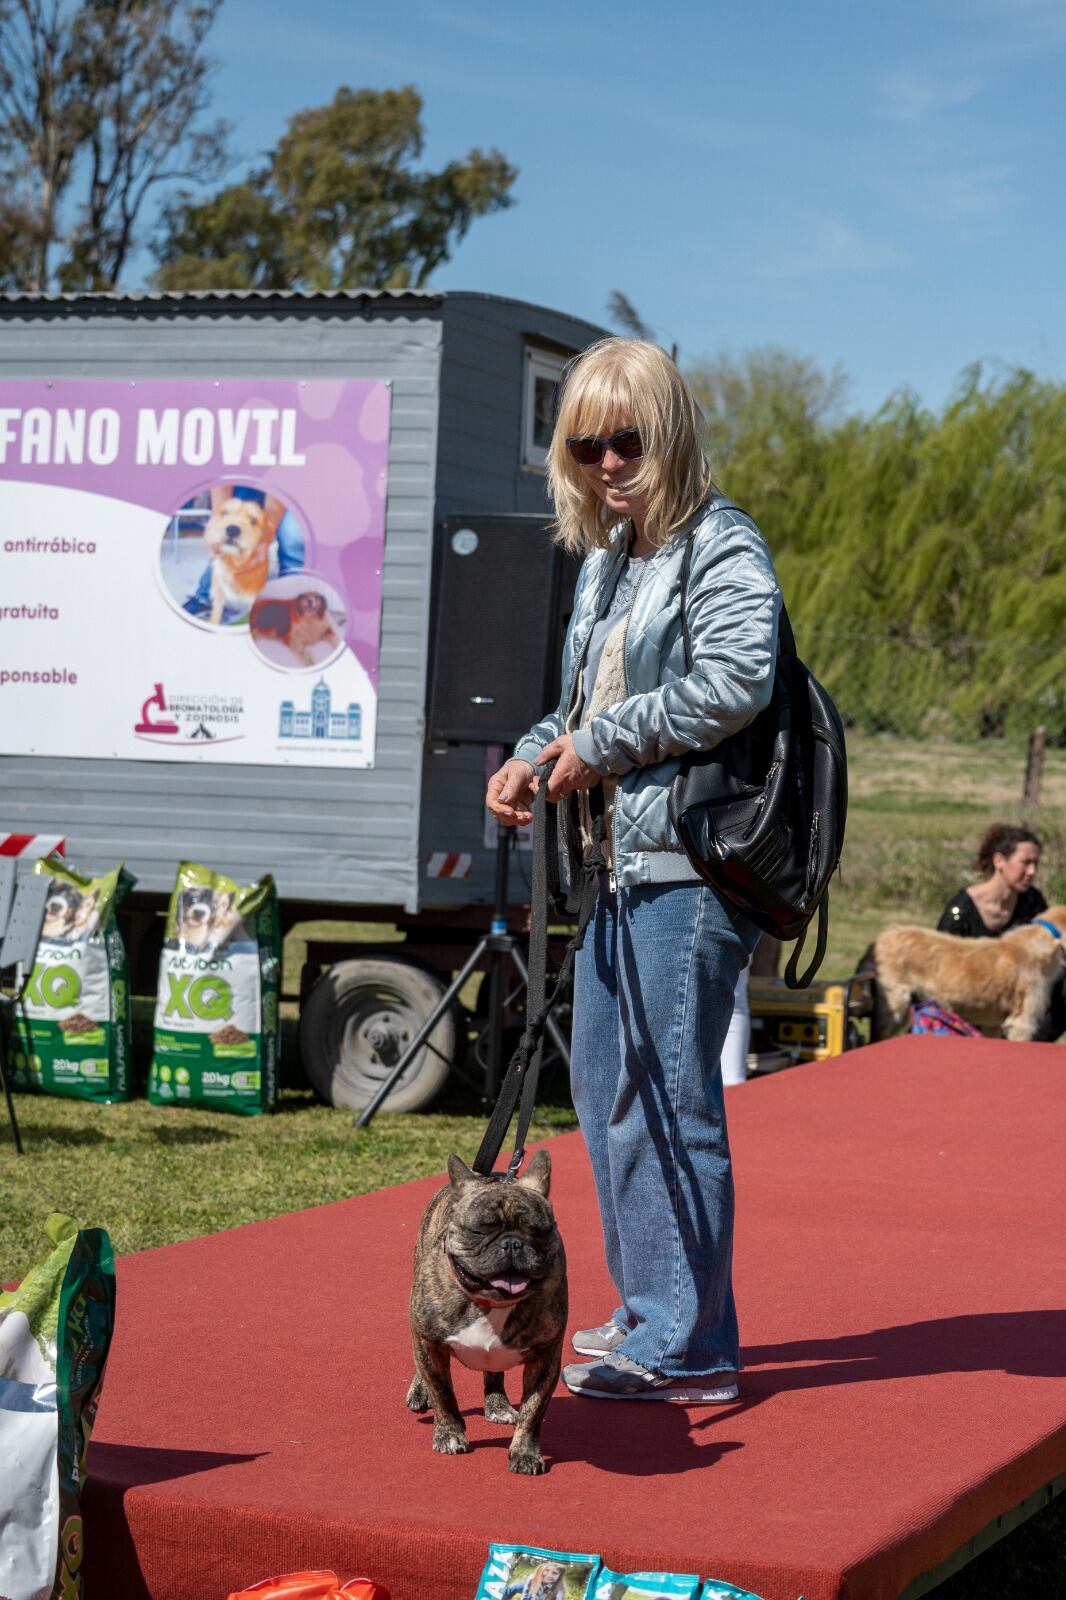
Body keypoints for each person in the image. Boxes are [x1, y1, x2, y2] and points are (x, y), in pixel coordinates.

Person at [485, 337, 781, 1402]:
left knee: (670, 1102)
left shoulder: (720, 542)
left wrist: (600, 747)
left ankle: (690, 1347)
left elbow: (737, 679)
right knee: (608, 1092)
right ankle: (655, 1311)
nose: (609, 460)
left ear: (670, 433)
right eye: (586, 441)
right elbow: (578, 710)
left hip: (690, 870)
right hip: (614, 868)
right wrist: (531, 753)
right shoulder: (613, 559)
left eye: (628, 437)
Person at [936, 822, 1065, 1040]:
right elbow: (942, 960)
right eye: (1025, 863)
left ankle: (1032, 1051)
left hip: (1019, 1004)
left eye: (1036, 864)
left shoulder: (1033, 901)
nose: (1032, 871)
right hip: (973, 1003)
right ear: (999, 861)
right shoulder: (959, 909)